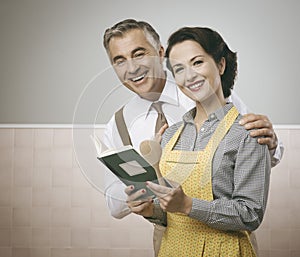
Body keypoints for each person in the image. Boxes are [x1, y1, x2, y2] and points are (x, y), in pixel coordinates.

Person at [102, 19, 283, 256]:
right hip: (170, 239)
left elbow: (261, 159)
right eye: (120, 60)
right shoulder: (118, 125)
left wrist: (271, 142)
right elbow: (115, 205)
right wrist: (140, 196)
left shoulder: (204, 88)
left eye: (139, 54)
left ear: (159, 54)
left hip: (225, 239)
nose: (132, 68)